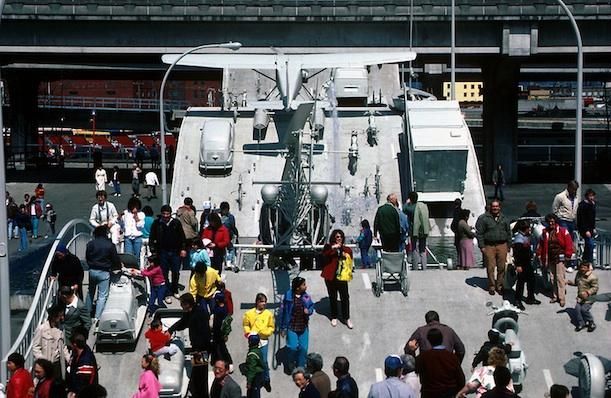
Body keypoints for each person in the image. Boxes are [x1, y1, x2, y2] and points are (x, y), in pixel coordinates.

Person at [149, 205, 188, 303]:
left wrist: (183, 249)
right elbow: (151, 238)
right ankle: (167, 293)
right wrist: (153, 250)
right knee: (164, 273)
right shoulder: (157, 223)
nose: (166, 216)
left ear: (171, 214)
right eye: (164, 214)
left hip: (175, 251)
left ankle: (174, 289)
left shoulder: (176, 223)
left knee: (175, 271)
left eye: (168, 214)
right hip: (162, 252)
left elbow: (182, 237)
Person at [475, 199, 512, 295]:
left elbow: (509, 232)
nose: (495, 208)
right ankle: (491, 286)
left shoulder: (504, 218)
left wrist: (509, 245)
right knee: (490, 267)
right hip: (489, 246)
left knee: (502, 267)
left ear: (500, 207)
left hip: (502, 245)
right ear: (491, 207)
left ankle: (499, 285)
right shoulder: (483, 219)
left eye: (497, 206)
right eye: (493, 206)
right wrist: (482, 246)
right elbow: (479, 233)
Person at [415, 328, 465, 398]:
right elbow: (461, 379)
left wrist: (412, 351)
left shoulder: (423, 357)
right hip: (449, 393)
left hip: (429, 394)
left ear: (429, 340)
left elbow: (415, 369)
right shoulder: (452, 357)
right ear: (442, 339)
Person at [86, 225, 121, 321]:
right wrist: (118, 267)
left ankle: (86, 313)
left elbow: (87, 257)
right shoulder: (110, 245)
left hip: (92, 270)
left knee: (90, 292)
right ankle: (97, 317)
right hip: (104, 272)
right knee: (102, 295)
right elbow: (115, 259)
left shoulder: (90, 244)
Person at [537, 213, 573, 307]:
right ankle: (555, 296)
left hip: (560, 257)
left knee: (560, 278)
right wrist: (539, 255)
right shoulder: (544, 233)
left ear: (555, 221)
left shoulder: (563, 231)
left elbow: (569, 243)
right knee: (552, 278)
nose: (551, 223)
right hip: (550, 258)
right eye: (549, 222)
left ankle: (562, 298)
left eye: (552, 221)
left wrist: (568, 255)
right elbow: (540, 245)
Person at [280, 276, 315, 371]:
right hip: (292, 327)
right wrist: (282, 328)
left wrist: (309, 311)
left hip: (303, 327)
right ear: (297, 287)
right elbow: (283, 312)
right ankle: (291, 361)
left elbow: (312, 306)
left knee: (303, 348)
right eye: (304, 285)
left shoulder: (306, 297)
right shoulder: (288, 297)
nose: (306, 286)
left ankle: (301, 365)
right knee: (293, 347)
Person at [321, 229, 354, 329]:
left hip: (342, 277)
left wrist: (344, 255)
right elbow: (324, 254)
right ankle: (334, 316)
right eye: (336, 237)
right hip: (331, 276)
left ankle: (346, 317)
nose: (338, 239)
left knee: (345, 297)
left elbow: (350, 259)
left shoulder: (346, 249)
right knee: (333, 297)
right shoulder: (328, 247)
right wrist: (333, 248)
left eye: (340, 237)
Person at [243, 292, 275, 393]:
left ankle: (266, 380)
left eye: (265, 302)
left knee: (264, 362)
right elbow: (246, 325)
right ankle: (253, 379)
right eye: (262, 302)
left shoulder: (268, 314)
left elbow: (271, 327)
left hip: (263, 341)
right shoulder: (249, 314)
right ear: (257, 302)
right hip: (253, 341)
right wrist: (248, 333)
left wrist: (263, 333)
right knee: (253, 359)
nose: (264, 304)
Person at [32, 304, 70, 380]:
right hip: (46, 364)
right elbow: (36, 347)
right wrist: (43, 362)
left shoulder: (61, 329)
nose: (62, 318)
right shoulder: (41, 329)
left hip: (57, 364)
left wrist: (69, 359)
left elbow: (63, 346)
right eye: (60, 316)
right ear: (54, 316)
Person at [512, 220, 540, 310]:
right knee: (520, 283)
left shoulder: (526, 236)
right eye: (529, 228)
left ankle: (530, 298)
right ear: (525, 229)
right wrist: (518, 265)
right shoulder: (519, 239)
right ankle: (518, 301)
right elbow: (517, 254)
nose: (530, 229)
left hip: (527, 262)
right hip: (522, 263)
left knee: (531, 280)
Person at [552, 180, 579, 271]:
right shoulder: (560, 197)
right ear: (569, 187)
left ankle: (570, 261)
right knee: (566, 240)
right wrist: (559, 218)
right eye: (573, 189)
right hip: (563, 220)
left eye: (576, 189)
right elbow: (555, 209)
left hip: (571, 221)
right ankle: (566, 262)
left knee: (570, 241)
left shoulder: (576, 198)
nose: (574, 191)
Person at [67, 327, 99, 397]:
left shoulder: (85, 360)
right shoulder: (78, 355)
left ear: (75, 344)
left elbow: (83, 383)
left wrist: (74, 394)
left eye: (71, 344)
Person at [567, 261, 599, 332]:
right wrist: (570, 283)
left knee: (583, 309)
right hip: (580, 297)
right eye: (581, 267)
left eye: (584, 267)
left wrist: (588, 292)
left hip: (589, 298)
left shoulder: (593, 277)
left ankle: (591, 322)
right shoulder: (578, 274)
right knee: (577, 309)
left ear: (588, 268)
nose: (582, 269)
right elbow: (577, 283)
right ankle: (581, 323)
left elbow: (595, 288)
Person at [404, 191, 430, 270]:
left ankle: (415, 267)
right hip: (423, 230)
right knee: (423, 249)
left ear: (410, 199)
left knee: (414, 248)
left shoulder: (410, 207)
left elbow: (404, 209)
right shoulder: (423, 206)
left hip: (414, 230)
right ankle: (424, 267)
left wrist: (406, 202)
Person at [211, 292, 233, 366]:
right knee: (216, 346)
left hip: (218, 332)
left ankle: (228, 362)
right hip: (220, 332)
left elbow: (213, 311)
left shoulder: (218, 310)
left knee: (221, 348)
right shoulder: (225, 307)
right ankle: (214, 360)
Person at [576, 188, 596, 263]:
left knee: (589, 245)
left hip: (590, 228)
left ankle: (585, 260)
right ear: (587, 196)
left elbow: (593, 218)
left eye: (593, 196)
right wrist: (586, 230)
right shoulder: (582, 205)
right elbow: (582, 219)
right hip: (584, 228)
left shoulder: (592, 205)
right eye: (590, 196)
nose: (592, 198)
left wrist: (593, 228)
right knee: (590, 244)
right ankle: (589, 261)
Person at [243, 334, 265, 398]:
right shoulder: (257, 350)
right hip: (259, 375)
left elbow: (251, 370)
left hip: (255, 377)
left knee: (253, 394)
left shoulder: (252, 355)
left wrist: (249, 382)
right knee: (256, 392)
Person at [220, 201, 239, 270]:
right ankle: (226, 262)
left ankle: (229, 262)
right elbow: (232, 226)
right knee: (227, 249)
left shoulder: (230, 217)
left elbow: (233, 226)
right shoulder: (226, 217)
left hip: (228, 236)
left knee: (230, 249)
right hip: (222, 236)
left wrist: (236, 234)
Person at [450, 198, 463, 265]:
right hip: (461, 232)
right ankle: (462, 262)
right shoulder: (461, 211)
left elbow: (454, 222)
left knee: (458, 249)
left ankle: (459, 263)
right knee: (461, 249)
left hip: (457, 232)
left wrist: (454, 229)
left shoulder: (455, 211)